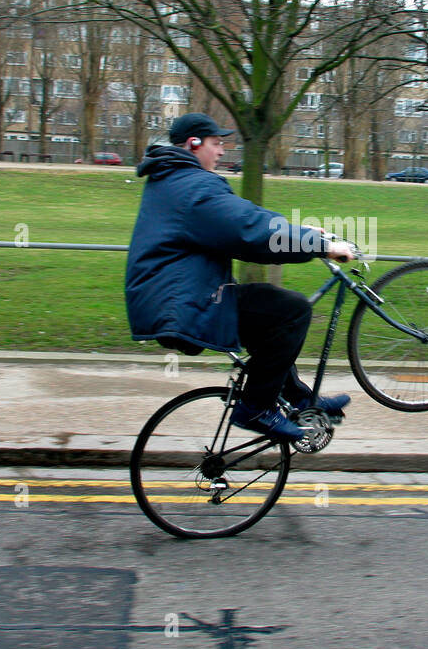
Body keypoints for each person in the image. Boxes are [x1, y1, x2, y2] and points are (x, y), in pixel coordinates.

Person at [125, 112, 352, 442]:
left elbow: (247, 217)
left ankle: (299, 399)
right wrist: (321, 246)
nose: (221, 152)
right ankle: (256, 407)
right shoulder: (192, 186)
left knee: (270, 320)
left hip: (179, 298)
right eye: (216, 144)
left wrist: (300, 232)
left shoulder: (176, 179)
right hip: (182, 304)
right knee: (291, 310)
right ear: (194, 143)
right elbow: (249, 232)